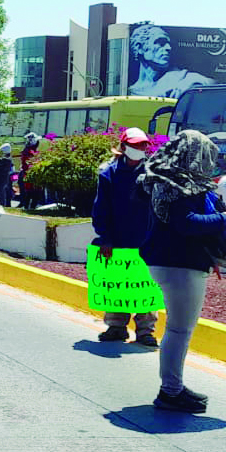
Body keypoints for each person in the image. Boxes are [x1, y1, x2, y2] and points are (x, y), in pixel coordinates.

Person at [137, 130, 226, 413]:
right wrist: (223, 219)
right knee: (179, 329)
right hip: (180, 264)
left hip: (165, 261)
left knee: (177, 328)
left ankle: (173, 387)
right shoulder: (181, 184)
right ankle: (171, 391)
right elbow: (186, 223)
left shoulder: (161, 178)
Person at [92, 127, 158, 346]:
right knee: (117, 284)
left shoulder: (152, 174)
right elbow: (101, 209)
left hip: (147, 240)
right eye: (135, 145)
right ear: (123, 147)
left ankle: (145, 330)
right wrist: (106, 238)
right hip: (117, 239)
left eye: (143, 145)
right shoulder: (108, 174)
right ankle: (116, 327)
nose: (140, 149)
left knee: (144, 286)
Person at [127, 23, 214, 98]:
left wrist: (193, 86)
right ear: (140, 48)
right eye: (161, 42)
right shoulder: (131, 92)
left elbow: (216, 85)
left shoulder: (182, 79)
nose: (168, 48)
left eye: (169, 44)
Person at [19, 133, 42, 210]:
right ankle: (30, 207)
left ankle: (29, 206)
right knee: (32, 192)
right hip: (30, 175)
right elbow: (28, 163)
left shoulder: (28, 151)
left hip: (29, 174)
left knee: (30, 192)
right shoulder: (29, 152)